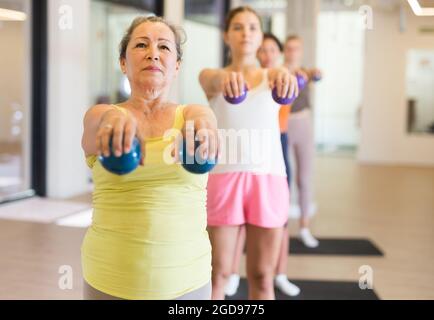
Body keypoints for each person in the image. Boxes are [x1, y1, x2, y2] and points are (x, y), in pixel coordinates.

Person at [81, 16, 219, 300]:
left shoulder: (191, 115)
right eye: (141, 44)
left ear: (177, 66)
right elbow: (99, 122)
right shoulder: (101, 114)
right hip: (109, 279)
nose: (153, 53)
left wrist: (205, 123)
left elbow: (204, 118)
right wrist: (113, 121)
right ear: (123, 62)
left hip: (188, 282)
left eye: (165, 47)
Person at [199, 6, 299, 300]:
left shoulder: (275, 75)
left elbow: (285, 75)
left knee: (262, 277)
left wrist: (285, 76)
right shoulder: (211, 76)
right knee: (218, 274)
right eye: (238, 27)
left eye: (253, 27)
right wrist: (226, 79)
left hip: (268, 179)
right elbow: (213, 81)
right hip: (223, 180)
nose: (246, 33)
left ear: (261, 36)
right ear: (226, 35)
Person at [224, 33, 300, 297]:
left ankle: (280, 273)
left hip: (273, 151)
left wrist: (291, 74)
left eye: (271, 49)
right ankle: (231, 273)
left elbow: (292, 74)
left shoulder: (279, 76)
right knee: (239, 226)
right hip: (241, 162)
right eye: (263, 49)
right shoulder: (243, 77)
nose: (267, 53)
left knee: (278, 224)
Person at [283, 35, 322, 248]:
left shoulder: (306, 72)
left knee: (304, 179)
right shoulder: (278, 72)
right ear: (284, 51)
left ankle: (305, 228)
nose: (292, 52)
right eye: (288, 48)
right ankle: (281, 229)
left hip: (304, 124)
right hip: (284, 126)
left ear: (300, 50)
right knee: (283, 179)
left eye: (296, 48)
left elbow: (316, 75)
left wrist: (315, 74)